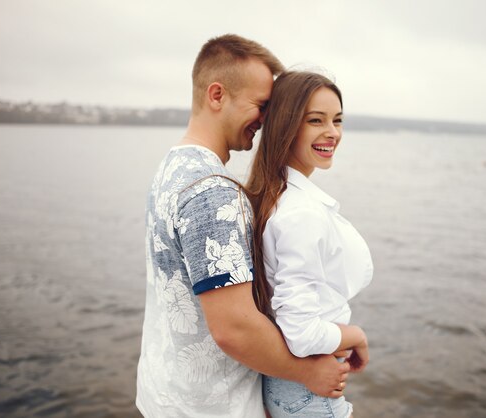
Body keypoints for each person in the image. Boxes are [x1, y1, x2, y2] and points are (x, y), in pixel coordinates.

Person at [136, 35, 350, 418]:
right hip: (211, 407)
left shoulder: (172, 168)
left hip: (165, 392)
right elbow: (234, 328)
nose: (267, 120)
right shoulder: (212, 193)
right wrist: (307, 371)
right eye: (261, 105)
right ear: (217, 96)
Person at [246, 71, 374, 418]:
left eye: (337, 120)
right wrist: (356, 336)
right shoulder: (300, 213)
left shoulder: (275, 197)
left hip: (289, 385)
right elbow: (300, 333)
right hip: (308, 389)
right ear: (286, 126)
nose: (332, 132)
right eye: (316, 120)